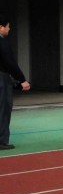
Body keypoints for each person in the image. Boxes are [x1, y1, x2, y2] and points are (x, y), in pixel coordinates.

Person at [0, 16, 31, 151]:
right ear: (1, 27)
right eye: (8, 26)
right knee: (3, 109)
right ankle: (1, 141)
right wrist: (22, 80)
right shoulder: (2, 42)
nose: (9, 29)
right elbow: (10, 63)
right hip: (2, 78)